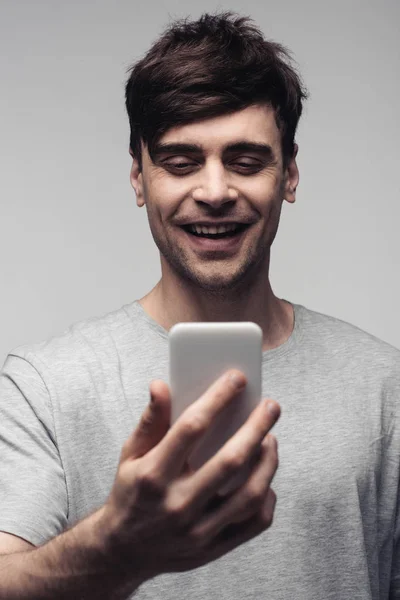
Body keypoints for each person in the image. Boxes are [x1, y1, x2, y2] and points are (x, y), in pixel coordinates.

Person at [0, 11, 398, 600]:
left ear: (290, 172)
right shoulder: (46, 387)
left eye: (245, 161)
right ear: (138, 177)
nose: (214, 192)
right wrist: (116, 546)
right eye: (181, 162)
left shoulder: (383, 385)